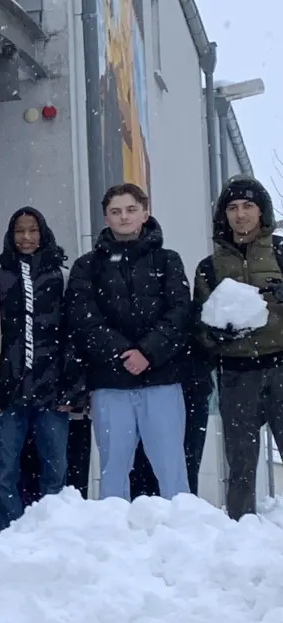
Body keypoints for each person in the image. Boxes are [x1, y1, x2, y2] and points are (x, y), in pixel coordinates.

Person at [66, 183, 192, 502]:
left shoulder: (167, 261)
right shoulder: (87, 266)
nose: (124, 217)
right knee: (113, 473)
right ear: (106, 218)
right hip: (110, 384)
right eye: (116, 211)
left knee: (171, 472)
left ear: (145, 214)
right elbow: (83, 318)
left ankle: (182, 540)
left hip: (161, 381)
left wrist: (148, 352)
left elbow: (180, 312)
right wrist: (123, 352)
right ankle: (114, 543)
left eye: (131, 209)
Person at [0, 207, 81, 529]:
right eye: (19, 232)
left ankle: (53, 533)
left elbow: (73, 334)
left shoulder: (61, 277)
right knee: (5, 471)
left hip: (52, 389)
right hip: (8, 391)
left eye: (33, 230)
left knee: (54, 469)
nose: (26, 238)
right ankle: (11, 534)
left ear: (43, 233)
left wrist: (72, 388)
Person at [193, 176, 280, 519]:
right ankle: (241, 533)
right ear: (223, 215)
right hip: (236, 374)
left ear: (261, 211)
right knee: (241, 463)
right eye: (232, 208)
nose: (240, 215)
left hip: (281, 368)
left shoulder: (282, 252)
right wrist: (216, 336)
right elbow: (198, 324)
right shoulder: (209, 266)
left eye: (248, 206)